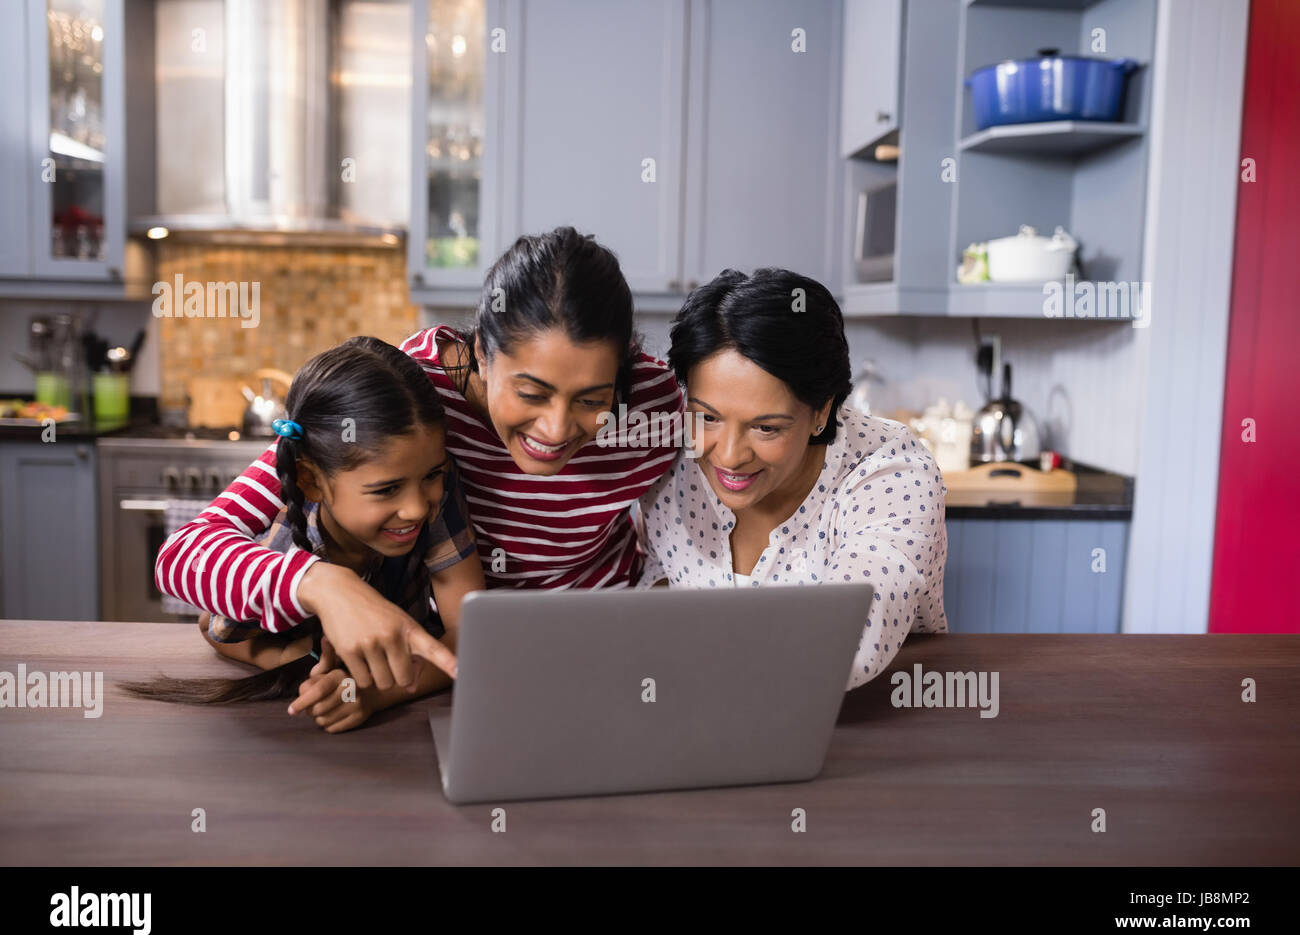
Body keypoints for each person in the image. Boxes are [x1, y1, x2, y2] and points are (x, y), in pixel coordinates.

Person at [154, 227, 684, 689]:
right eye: (530, 393)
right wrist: (317, 582)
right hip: (452, 664)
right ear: (481, 353)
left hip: (608, 650)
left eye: (591, 400)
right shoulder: (412, 395)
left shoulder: (658, 408)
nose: (556, 428)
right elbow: (183, 557)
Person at [124, 337, 483, 732]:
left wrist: (370, 691)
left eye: (432, 475)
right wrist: (321, 586)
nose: (417, 508)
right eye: (385, 490)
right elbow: (194, 587)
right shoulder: (284, 512)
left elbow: (468, 635)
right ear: (310, 480)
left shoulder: (439, 491)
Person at [635, 268, 949, 689]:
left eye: (766, 428)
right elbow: (653, 582)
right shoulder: (665, 452)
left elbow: (849, 630)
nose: (728, 455)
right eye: (707, 416)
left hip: (860, 723)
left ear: (822, 411)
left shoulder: (891, 473)